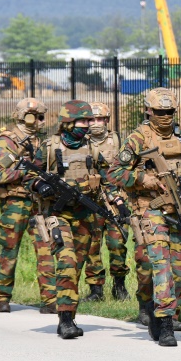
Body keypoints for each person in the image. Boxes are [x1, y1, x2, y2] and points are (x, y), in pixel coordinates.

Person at [107, 87, 181, 347]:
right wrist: (143, 178)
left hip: (180, 210)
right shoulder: (138, 138)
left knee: (180, 268)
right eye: (159, 112)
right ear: (149, 111)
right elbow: (114, 172)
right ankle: (166, 324)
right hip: (151, 210)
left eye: (169, 112)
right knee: (161, 265)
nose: (165, 116)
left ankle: (158, 313)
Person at [30, 99, 102, 339]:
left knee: (77, 267)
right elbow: (28, 175)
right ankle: (66, 320)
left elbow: (108, 177)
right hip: (57, 215)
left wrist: (116, 202)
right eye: (83, 121)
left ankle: (69, 313)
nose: (88, 125)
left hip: (84, 216)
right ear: (68, 122)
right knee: (67, 262)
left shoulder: (92, 147)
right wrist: (40, 185)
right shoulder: (49, 147)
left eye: (89, 120)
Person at [0, 97, 56, 314]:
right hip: (15, 204)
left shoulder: (41, 142)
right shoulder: (8, 141)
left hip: (39, 203)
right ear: (26, 117)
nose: (41, 121)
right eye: (38, 117)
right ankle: (2, 297)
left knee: (46, 249)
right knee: (9, 250)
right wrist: (26, 172)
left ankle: (50, 300)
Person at [80, 101, 130, 302]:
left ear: (107, 120)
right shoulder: (81, 143)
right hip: (91, 202)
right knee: (92, 247)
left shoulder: (117, 140)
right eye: (91, 119)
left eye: (100, 119)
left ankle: (119, 286)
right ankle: (95, 290)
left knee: (117, 243)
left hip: (115, 201)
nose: (95, 123)